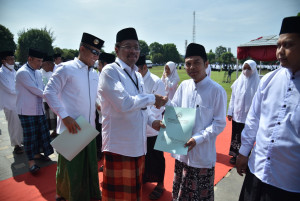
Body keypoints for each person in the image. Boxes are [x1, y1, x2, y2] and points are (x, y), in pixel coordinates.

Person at [97, 27, 168, 201]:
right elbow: (124, 103)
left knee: (133, 195)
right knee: (118, 197)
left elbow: (141, 107)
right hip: (119, 145)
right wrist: (153, 98)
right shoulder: (110, 71)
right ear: (116, 49)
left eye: (136, 47)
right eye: (128, 46)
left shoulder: (137, 74)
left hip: (137, 145)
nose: (133, 51)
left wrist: (153, 122)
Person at [236, 16, 300, 201]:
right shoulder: (269, 80)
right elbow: (254, 118)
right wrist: (243, 152)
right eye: (278, 45)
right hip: (257, 169)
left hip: (289, 183)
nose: (280, 51)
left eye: (288, 45)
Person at [44, 33, 104, 201]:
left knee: (87, 166)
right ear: (82, 48)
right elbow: (49, 92)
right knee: (70, 169)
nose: (95, 56)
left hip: (89, 127)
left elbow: (94, 96)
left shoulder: (94, 73)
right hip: (72, 128)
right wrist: (64, 116)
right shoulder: (66, 68)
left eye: (98, 53)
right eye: (93, 51)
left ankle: (86, 194)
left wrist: (98, 105)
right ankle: (64, 196)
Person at [169, 43, 227, 200]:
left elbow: (219, 123)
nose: (192, 67)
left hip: (202, 157)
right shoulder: (184, 86)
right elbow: (174, 109)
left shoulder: (217, 91)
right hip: (182, 153)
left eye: (196, 62)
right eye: (188, 63)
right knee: (179, 195)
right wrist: (164, 115)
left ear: (206, 64)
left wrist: (198, 138)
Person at [16, 48, 54, 174]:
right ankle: (31, 161)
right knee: (30, 137)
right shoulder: (22, 73)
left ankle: (38, 155)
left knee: (41, 134)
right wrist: (54, 97)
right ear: (29, 59)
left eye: (41, 61)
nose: (40, 64)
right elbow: (36, 90)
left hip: (39, 109)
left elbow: (43, 88)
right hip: (27, 110)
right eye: (38, 61)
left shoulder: (38, 72)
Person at [136, 55, 166, 200]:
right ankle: (145, 179)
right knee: (143, 157)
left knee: (157, 157)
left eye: (137, 69)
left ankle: (160, 184)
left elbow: (158, 107)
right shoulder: (134, 79)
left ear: (144, 67)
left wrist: (148, 119)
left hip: (153, 127)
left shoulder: (156, 81)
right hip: (138, 128)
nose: (134, 72)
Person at [227, 60, 260, 164]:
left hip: (249, 116)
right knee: (236, 135)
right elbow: (233, 98)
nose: (246, 71)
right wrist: (230, 111)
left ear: (253, 69)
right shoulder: (238, 81)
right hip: (237, 114)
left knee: (246, 136)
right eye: (244, 68)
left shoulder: (258, 84)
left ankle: (244, 155)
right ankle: (234, 155)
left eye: (248, 68)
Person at [0, 51, 24, 154]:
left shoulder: (14, 71)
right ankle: (16, 145)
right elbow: (10, 89)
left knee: (20, 124)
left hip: (18, 102)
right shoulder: (1, 73)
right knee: (13, 125)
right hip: (9, 104)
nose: (13, 61)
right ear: (4, 61)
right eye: (10, 59)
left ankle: (21, 141)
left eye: (13, 58)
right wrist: (22, 91)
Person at [95, 52, 115, 169]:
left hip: (111, 116)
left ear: (105, 64)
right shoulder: (97, 75)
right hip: (100, 115)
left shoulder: (114, 76)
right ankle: (104, 162)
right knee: (104, 141)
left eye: (99, 64)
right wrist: (97, 104)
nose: (98, 66)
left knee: (110, 142)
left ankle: (108, 164)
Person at [40, 55, 57, 138]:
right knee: (49, 116)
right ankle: (53, 130)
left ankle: (57, 131)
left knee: (56, 115)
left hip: (56, 98)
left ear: (48, 64)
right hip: (45, 99)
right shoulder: (40, 72)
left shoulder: (57, 71)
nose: (42, 67)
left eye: (43, 65)